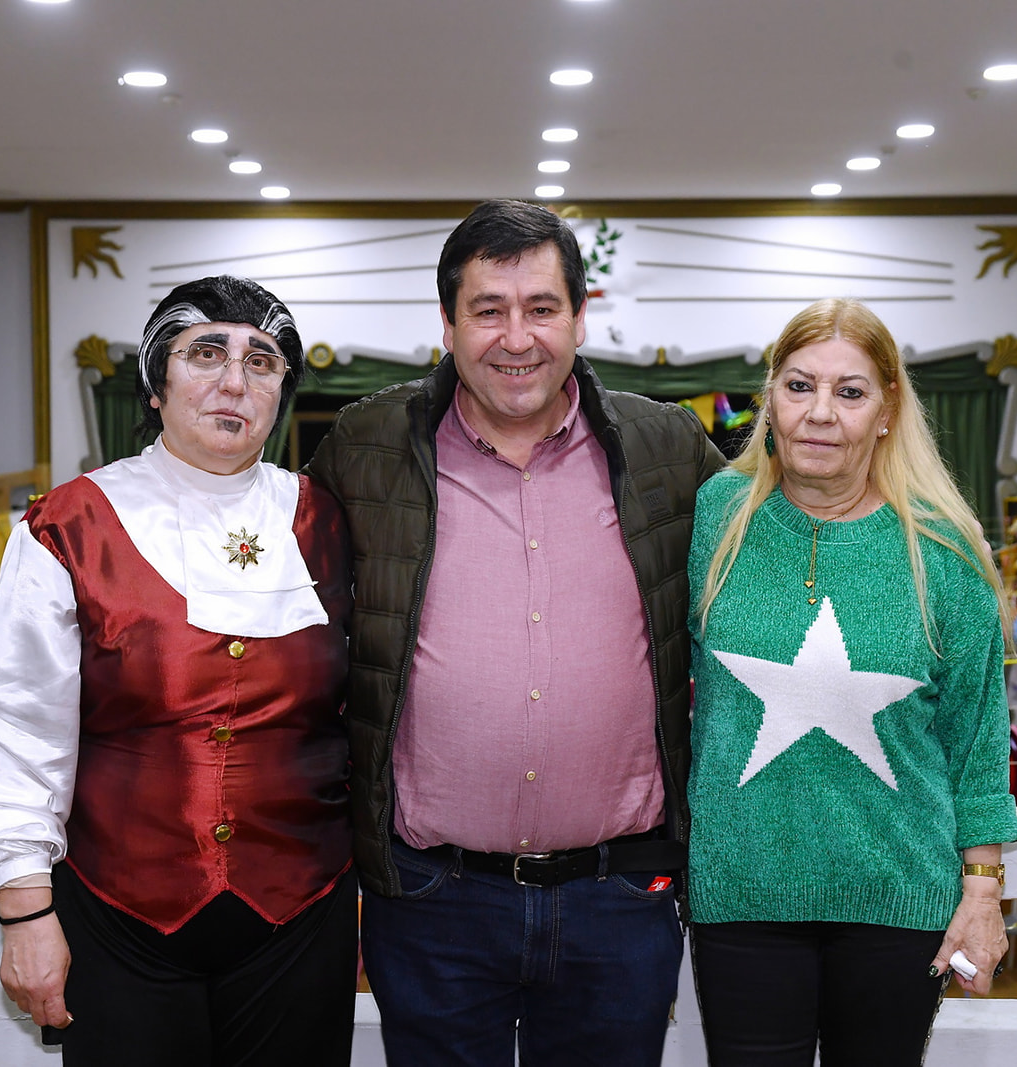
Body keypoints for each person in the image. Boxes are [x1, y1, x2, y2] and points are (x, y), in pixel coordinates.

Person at [308, 198, 723, 1066]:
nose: (517, 337)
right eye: (488, 310)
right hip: (432, 898)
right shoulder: (367, 445)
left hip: (619, 895)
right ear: (448, 324)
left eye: (541, 307)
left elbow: (777, 555)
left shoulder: (667, 447)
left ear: (580, 316)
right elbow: (277, 594)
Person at [0, 276, 356, 1065]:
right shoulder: (69, 525)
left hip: (302, 919)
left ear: (282, 391)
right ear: (154, 381)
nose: (234, 381)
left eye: (262, 361)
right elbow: (17, 729)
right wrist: (25, 910)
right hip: (120, 920)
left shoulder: (328, 519)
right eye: (206, 354)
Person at [686, 298, 1017, 1065]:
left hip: (897, 902)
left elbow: (977, 738)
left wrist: (982, 891)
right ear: (770, 397)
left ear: (886, 410)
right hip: (742, 893)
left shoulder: (943, 549)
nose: (820, 413)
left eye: (849, 391)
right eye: (799, 385)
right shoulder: (716, 516)